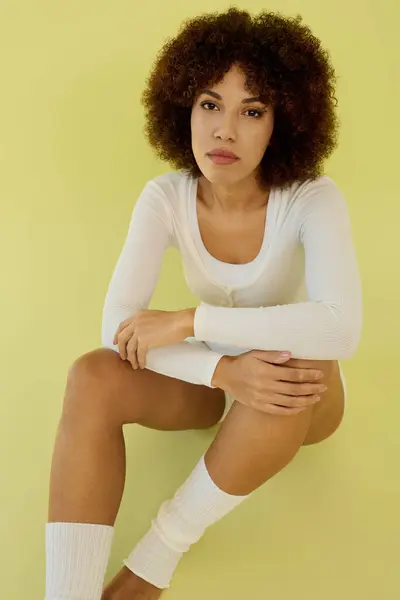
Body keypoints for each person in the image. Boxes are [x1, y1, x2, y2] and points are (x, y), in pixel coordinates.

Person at [44, 7, 362, 600]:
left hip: (300, 396)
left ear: (281, 123)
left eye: (253, 111)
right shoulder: (165, 196)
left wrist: (192, 320)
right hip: (215, 376)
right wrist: (220, 368)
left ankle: (152, 562)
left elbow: (340, 330)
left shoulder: (313, 198)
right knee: (91, 374)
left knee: (289, 366)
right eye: (211, 105)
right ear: (184, 109)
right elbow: (116, 325)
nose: (225, 131)